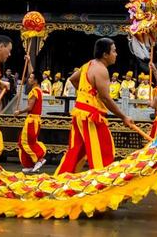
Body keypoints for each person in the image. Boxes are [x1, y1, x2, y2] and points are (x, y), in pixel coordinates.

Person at [55, 38, 135, 175]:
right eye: (114, 51)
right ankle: (102, 184)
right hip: (92, 117)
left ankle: (60, 181)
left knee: (76, 151)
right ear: (105, 54)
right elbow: (105, 98)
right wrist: (123, 117)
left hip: (80, 113)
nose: (116, 54)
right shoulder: (101, 70)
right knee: (103, 150)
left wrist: (85, 95)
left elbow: (73, 79)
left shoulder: (88, 65)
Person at [14, 68, 47, 173]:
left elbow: (29, 107)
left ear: (36, 81)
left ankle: (39, 159)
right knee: (22, 142)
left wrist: (19, 112)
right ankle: (29, 165)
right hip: (35, 120)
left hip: (32, 120)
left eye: (31, 78)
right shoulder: (39, 89)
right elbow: (33, 71)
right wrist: (28, 61)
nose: (29, 79)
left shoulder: (34, 91)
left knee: (27, 142)